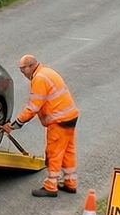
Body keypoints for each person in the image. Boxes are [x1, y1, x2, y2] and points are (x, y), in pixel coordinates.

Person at [9, 54, 78, 198]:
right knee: (67, 151)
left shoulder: (39, 78)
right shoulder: (46, 72)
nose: (23, 74)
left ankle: (50, 186)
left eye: (23, 70)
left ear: (31, 66)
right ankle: (70, 183)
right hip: (70, 116)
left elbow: (33, 107)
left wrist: (17, 123)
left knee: (53, 152)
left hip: (59, 120)